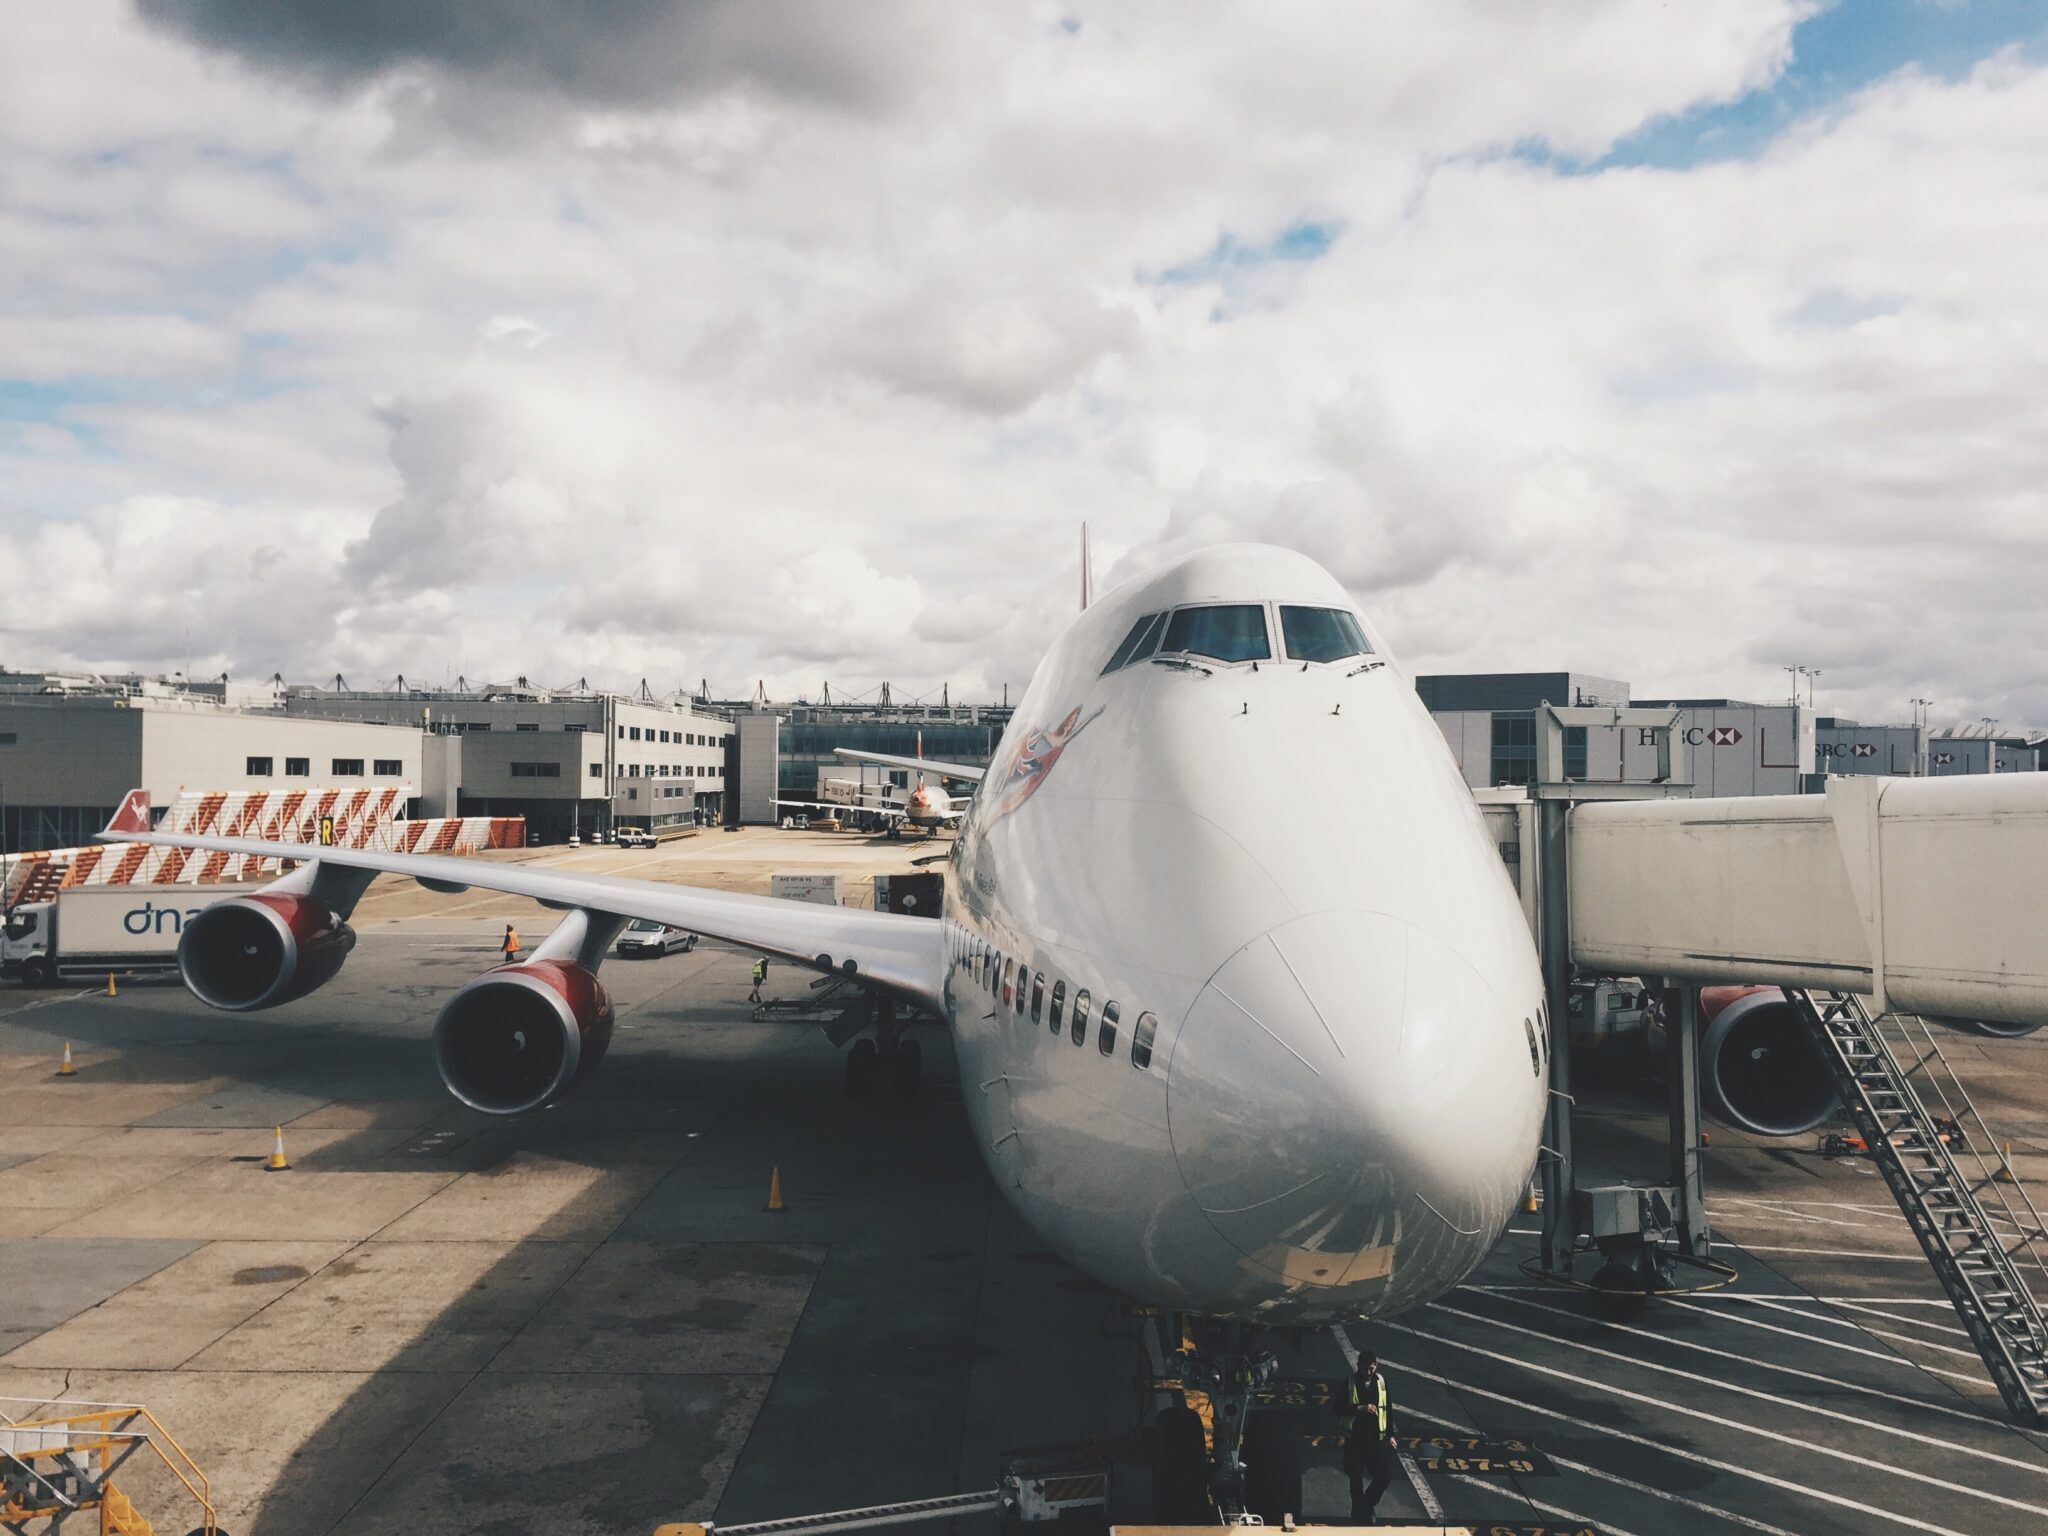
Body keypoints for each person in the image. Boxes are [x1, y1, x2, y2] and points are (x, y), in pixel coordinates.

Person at [1337, 1350, 1393, 1523]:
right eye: (1364, 1369)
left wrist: (1390, 1434)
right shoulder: (1350, 1382)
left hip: (1376, 1439)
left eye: (1371, 1368)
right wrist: (1359, 1408)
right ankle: (1359, 1515)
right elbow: (1337, 1408)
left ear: (1376, 1366)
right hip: (1356, 1439)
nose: (1368, 1373)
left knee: (1384, 1476)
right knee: (1356, 1480)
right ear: (1358, 1367)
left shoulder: (1381, 1381)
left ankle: (1366, 1506)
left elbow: (1387, 1408)